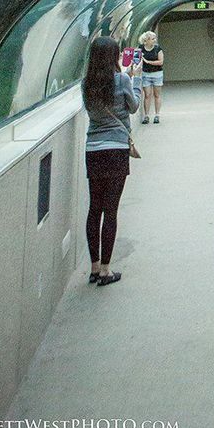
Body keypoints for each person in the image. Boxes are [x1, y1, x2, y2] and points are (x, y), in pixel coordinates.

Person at [82, 36, 142, 286]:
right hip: (116, 148)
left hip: (93, 149)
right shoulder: (123, 80)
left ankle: (94, 267)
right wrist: (135, 80)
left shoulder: (86, 84)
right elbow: (133, 107)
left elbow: (92, 111)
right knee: (111, 210)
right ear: (115, 56)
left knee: (94, 209)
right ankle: (106, 269)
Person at [138, 30, 164, 124]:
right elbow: (136, 58)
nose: (154, 40)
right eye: (152, 39)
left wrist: (148, 62)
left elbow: (161, 62)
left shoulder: (158, 49)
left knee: (157, 95)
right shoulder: (141, 48)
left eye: (155, 38)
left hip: (157, 74)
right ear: (147, 40)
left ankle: (157, 115)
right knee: (147, 95)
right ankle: (146, 116)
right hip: (146, 74)